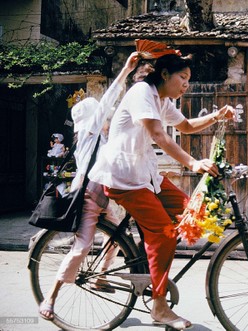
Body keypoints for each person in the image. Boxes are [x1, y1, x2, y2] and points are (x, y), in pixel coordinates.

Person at [88, 50, 234, 329]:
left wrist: (217, 116)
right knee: (165, 235)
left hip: (147, 175)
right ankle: (159, 306)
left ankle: (153, 264)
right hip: (125, 179)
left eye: (189, 79)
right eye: (183, 77)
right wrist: (193, 162)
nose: (186, 84)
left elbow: (187, 126)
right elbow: (158, 134)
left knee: (190, 212)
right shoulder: (142, 91)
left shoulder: (162, 99)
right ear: (165, 74)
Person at [38, 52, 142, 321]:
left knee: (117, 238)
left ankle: (99, 279)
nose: (105, 117)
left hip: (103, 197)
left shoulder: (100, 137)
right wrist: (126, 71)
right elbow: (108, 101)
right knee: (82, 247)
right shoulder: (89, 133)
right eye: (101, 114)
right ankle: (51, 295)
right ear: (93, 117)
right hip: (88, 197)